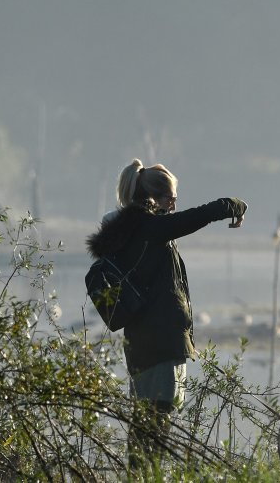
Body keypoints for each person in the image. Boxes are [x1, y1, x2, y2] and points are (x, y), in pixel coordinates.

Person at [86, 159, 246, 468]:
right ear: (155, 198)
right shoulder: (148, 228)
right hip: (159, 346)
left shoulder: (130, 230)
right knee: (154, 429)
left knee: (147, 427)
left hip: (144, 344)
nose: (174, 205)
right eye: (171, 198)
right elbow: (201, 215)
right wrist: (235, 205)